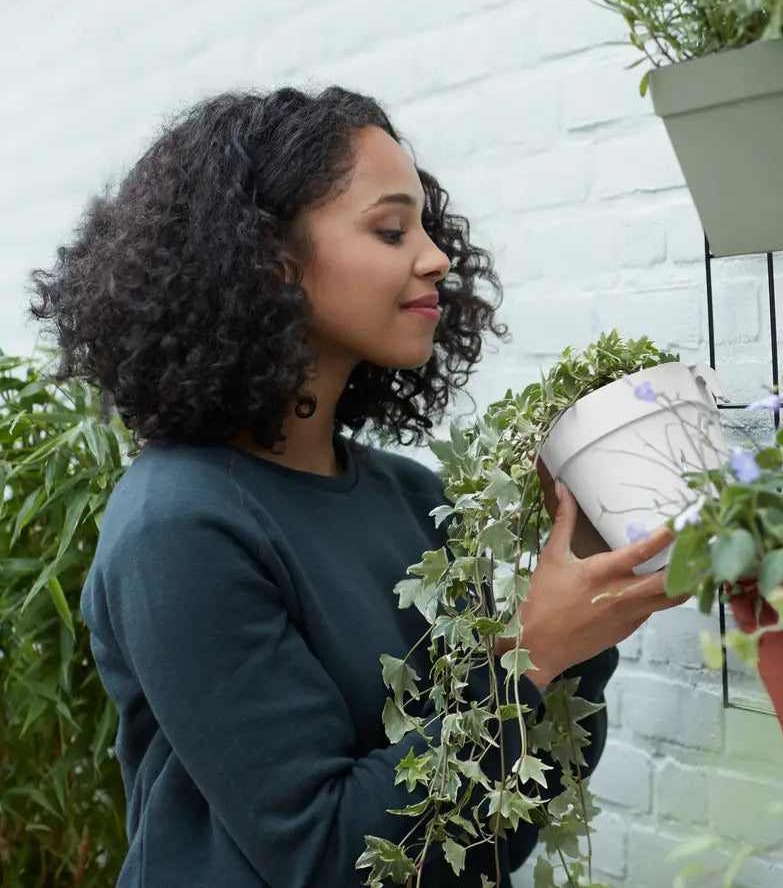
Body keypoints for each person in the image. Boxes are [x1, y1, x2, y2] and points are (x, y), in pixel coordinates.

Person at [29, 85, 682, 888]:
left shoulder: (415, 499)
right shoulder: (178, 527)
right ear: (271, 260)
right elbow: (326, 852)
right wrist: (530, 653)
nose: (436, 257)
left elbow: (507, 812)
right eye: (391, 229)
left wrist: (583, 584)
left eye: (427, 227)